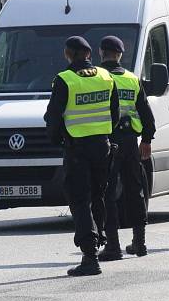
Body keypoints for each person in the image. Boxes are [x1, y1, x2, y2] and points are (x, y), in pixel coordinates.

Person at [45, 36, 119, 277]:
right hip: (102, 145)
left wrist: (57, 141)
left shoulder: (65, 80)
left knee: (79, 200)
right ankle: (99, 240)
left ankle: (90, 256)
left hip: (77, 148)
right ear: (89, 54)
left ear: (69, 54)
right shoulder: (106, 77)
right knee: (97, 196)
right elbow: (114, 113)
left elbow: (53, 117)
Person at [96, 36, 156, 261]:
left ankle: (112, 245)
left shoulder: (99, 77)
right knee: (135, 191)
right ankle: (139, 243)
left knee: (107, 194)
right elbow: (146, 113)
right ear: (120, 54)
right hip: (131, 141)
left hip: (107, 141)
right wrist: (147, 140)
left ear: (101, 52)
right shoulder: (132, 79)